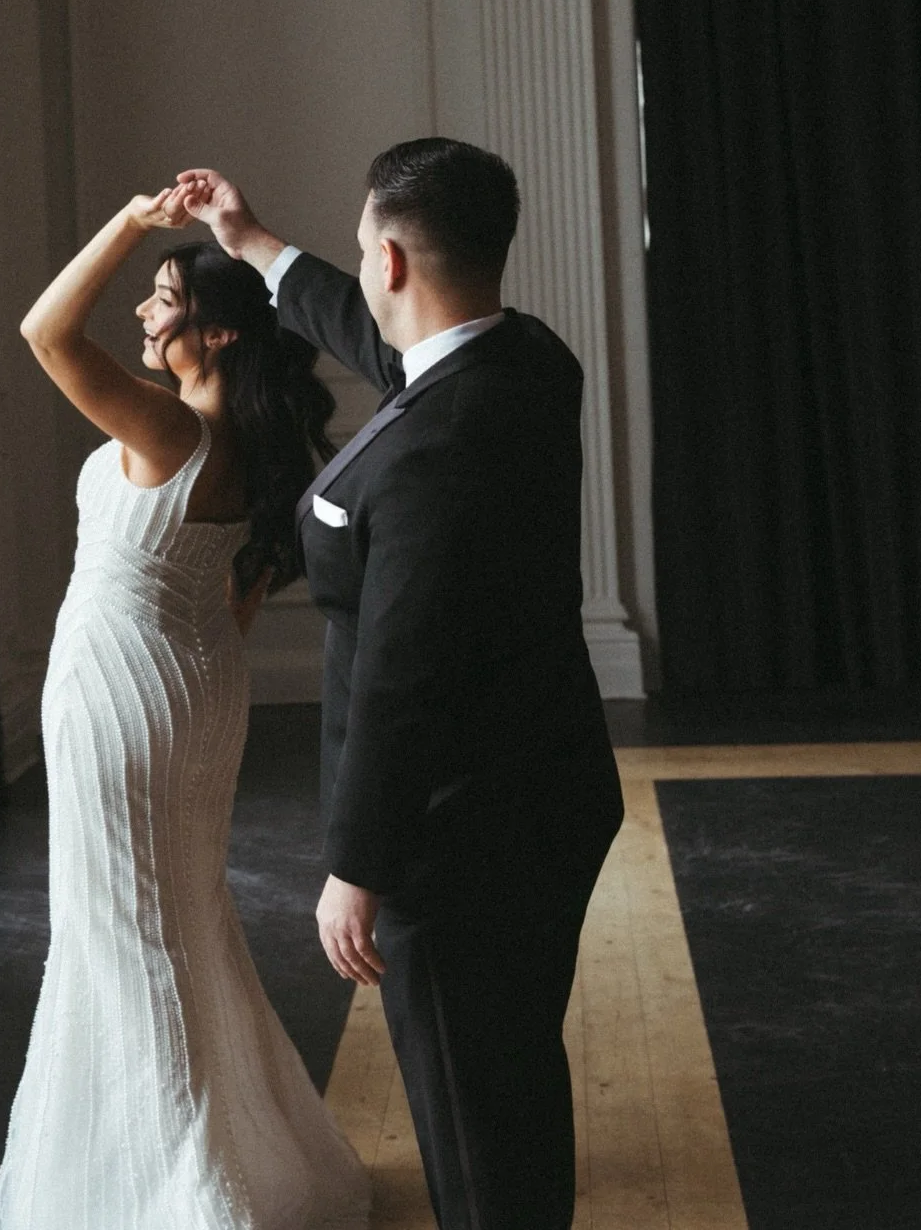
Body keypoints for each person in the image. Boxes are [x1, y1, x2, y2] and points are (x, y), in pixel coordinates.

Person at [176, 140, 625, 1230]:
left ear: (387, 259)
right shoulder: (522, 362)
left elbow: (401, 676)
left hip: (458, 834)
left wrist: (358, 866)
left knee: (475, 1121)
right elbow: (391, 358)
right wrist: (256, 246)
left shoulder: (437, 448)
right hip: (541, 794)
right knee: (507, 1085)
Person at [0, 186, 371, 1230]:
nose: (146, 318)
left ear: (220, 330)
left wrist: (127, 223)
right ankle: (241, 1156)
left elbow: (42, 331)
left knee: (124, 933)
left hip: (120, 699)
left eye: (164, 302)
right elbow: (226, 612)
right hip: (194, 695)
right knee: (184, 918)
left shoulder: (166, 428)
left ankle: (187, 1189)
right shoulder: (252, 446)